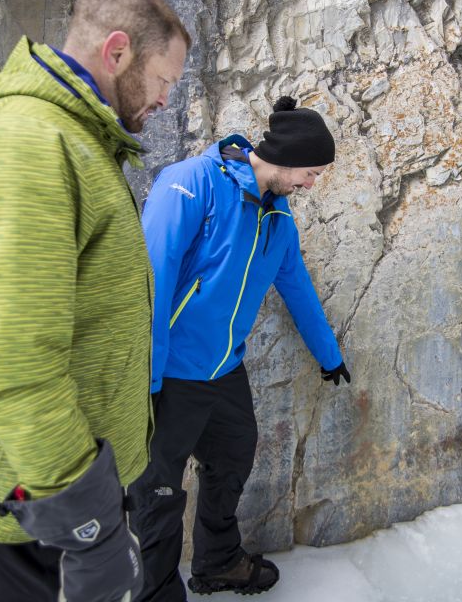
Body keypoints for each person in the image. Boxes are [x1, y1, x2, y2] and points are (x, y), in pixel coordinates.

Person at [0, 0, 190, 602]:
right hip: (29, 495)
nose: (167, 100)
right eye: (166, 79)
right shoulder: (28, 144)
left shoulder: (76, 138)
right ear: (117, 51)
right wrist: (89, 527)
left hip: (50, 479)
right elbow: (10, 361)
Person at [129, 95, 351, 599]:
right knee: (157, 495)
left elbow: (296, 285)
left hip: (224, 369)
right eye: (311, 173)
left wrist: (328, 354)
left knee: (233, 459)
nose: (311, 185)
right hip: (172, 374)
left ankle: (217, 561)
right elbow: (151, 281)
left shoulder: (278, 217)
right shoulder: (192, 183)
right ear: (287, 157)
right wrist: (147, 379)